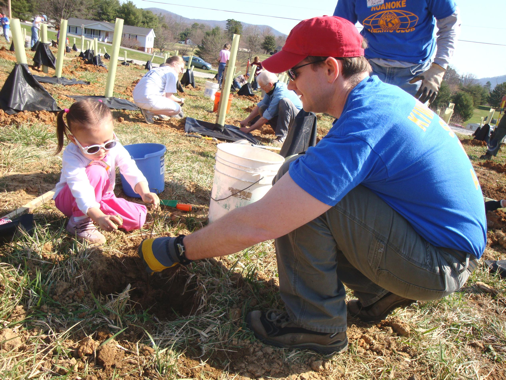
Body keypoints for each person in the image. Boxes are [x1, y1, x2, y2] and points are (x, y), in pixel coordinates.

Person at [136, 16, 486, 355]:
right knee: (300, 171)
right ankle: (378, 292)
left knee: (297, 187)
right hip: (436, 247)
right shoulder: (378, 100)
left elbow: (262, 222)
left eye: (295, 72)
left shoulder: (364, 126)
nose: (290, 84)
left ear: (331, 69)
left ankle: (315, 326)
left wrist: (180, 249)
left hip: (438, 262)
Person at [53, 99, 160, 245]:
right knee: (97, 171)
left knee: (137, 218)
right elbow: (80, 187)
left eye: (108, 143)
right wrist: (97, 216)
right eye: (92, 148)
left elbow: (129, 168)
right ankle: (79, 223)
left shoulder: (115, 148)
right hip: (70, 198)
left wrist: (144, 192)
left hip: (102, 196)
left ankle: (97, 213)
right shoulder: (72, 155)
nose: (102, 151)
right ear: (74, 139)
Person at [334, 0, 460, 104]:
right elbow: (339, 29)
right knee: (353, 125)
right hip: (369, 69)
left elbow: (450, 24)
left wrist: (438, 68)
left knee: (408, 131)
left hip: (413, 75)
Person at [239, 71, 302, 145]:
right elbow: (261, 105)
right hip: (288, 117)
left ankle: (282, 137)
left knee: (284, 102)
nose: (262, 89)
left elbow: (266, 117)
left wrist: (248, 130)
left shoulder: (280, 92)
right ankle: (285, 134)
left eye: (263, 87)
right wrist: (246, 120)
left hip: (298, 120)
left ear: (270, 84)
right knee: (262, 108)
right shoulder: (272, 89)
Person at [132, 56, 186, 124]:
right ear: (175, 64)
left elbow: (163, 94)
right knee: (177, 109)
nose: (181, 72)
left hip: (137, 99)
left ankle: (152, 110)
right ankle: (149, 112)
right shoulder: (172, 73)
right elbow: (169, 96)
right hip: (149, 99)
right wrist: (180, 100)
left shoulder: (156, 69)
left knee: (161, 98)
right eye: (181, 68)